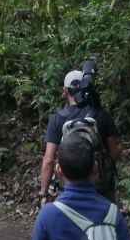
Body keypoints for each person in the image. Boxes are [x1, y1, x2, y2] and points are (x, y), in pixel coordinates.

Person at [38, 68, 120, 207]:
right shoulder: (103, 115)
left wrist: (43, 193)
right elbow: (114, 154)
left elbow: (48, 160)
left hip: (69, 188)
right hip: (101, 186)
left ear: (65, 91)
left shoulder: (58, 119)